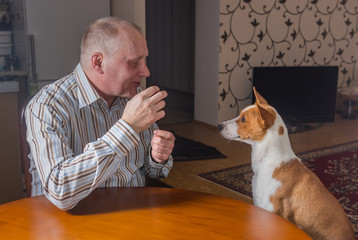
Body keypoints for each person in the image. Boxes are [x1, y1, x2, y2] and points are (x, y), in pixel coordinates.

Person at [25, 16, 175, 210]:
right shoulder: (47, 106)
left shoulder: (134, 99)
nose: (146, 71)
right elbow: (60, 191)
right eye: (133, 63)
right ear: (98, 62)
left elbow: (152, 172)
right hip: (67, 224)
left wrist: (157, 157)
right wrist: (127, 128)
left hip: (132, 216)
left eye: (144, 60)